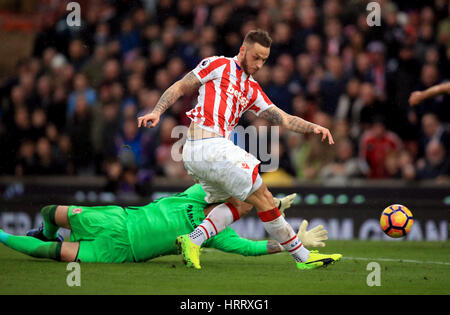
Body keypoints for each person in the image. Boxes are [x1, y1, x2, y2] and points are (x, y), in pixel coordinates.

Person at [137, 29, 341, 270]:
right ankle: (303, 258)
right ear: (243, 50)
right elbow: (182, 86)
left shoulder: (252, 89)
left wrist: (313, 127)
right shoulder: (218, 65)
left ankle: (193, 240)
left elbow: (282, 118)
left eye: (264, 59)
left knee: (243, 203)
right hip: (207, 145)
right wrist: (158, 110)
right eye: (256, 57)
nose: (259, 64)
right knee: (264, 196)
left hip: (202, 156)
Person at [0, 184, 329, 264]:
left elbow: (251, 248)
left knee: (50, 254)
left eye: (244, 210)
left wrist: (291, 244)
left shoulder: (214, 235)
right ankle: (43, 228)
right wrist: (275, 203)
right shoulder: (196, 196)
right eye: (239, 205)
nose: (240, 210)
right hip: (117, 217)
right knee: (50, 210)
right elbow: (249, 190)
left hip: (121, 250)